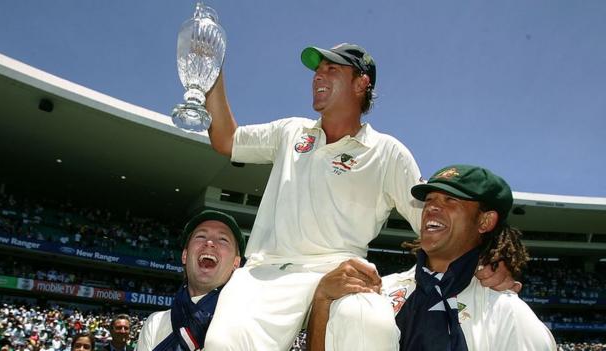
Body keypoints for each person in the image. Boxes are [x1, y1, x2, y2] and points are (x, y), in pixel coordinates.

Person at [203, 43, 516, 350]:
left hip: (342, 270)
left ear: (361, 83)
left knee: (372, 326)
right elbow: (226, 139)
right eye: (317, 70)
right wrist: (211, 71)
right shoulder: (291, 132)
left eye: (331, 69)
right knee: (222, 343)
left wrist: (488, 257)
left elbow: (434, 223)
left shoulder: (388, 152)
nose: (318, 76)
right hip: (266, 273)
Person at [308, 164, 556, 350]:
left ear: (485, 221)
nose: (432, 207)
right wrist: (322, 300)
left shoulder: (507, 313)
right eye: (429, 200)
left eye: (450, 200)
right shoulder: (378, 291)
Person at [135, 210, 244, 351]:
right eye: (201, 236)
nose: (210, 243)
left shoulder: (250, 326)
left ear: (236, 263)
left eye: (223, 239)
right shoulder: (155, 324)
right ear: (185, 255)